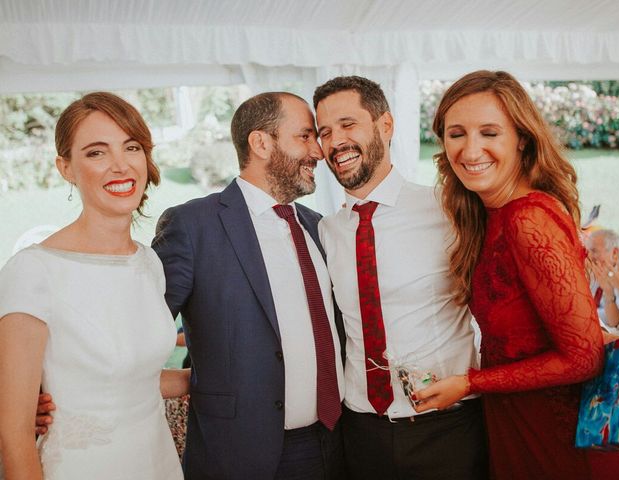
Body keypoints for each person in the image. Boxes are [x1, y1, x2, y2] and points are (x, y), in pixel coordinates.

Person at [412, 70, 619, 479]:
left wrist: (470, 382)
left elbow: (584, 358)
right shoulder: (491, 214)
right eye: (456, 133)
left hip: (557, 436)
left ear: (522, 139)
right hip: (517, 421)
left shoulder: (527, 219)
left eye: (489, 133)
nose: (470, 149)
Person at [151, 92, 346, 479]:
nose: (318, 152)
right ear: (261, 143)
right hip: (242, 453)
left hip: (337, 443)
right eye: (305, 137)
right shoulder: (192, 227)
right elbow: (137, 336)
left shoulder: (317, 225)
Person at [0, 92, 188, 480]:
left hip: (158, 464)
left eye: (131, 147)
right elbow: (13, 432)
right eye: (96, 153)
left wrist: (206, 380)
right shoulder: (33, 270)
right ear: (66, 168)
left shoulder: (148, 262)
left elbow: (134, 379)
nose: (120, 165)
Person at [313, 76, 487, 479]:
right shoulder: (326, 232)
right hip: (361, 433)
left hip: (448, 430)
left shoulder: (449, 208)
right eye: (325, 132)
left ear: (385, 125)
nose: (336, 141)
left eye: (347, 124)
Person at [588, 229, 619, 331]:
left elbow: (617, 321)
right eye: (588, 251)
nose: (590, 256)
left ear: (614, 253)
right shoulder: (593, 270)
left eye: (594, 251)